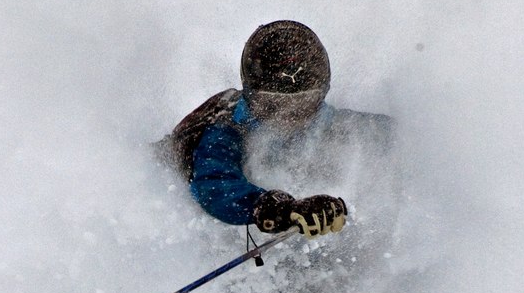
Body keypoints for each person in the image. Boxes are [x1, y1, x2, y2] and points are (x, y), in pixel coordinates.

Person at [156, 19, 393, 239]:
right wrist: (274, 207)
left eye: (303, 103)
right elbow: (215, 184)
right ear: (249, 95)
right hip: (207, 226)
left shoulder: (337, 126)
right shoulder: (225, 127)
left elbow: (401, 139)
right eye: (271, 105)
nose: (287, 116)